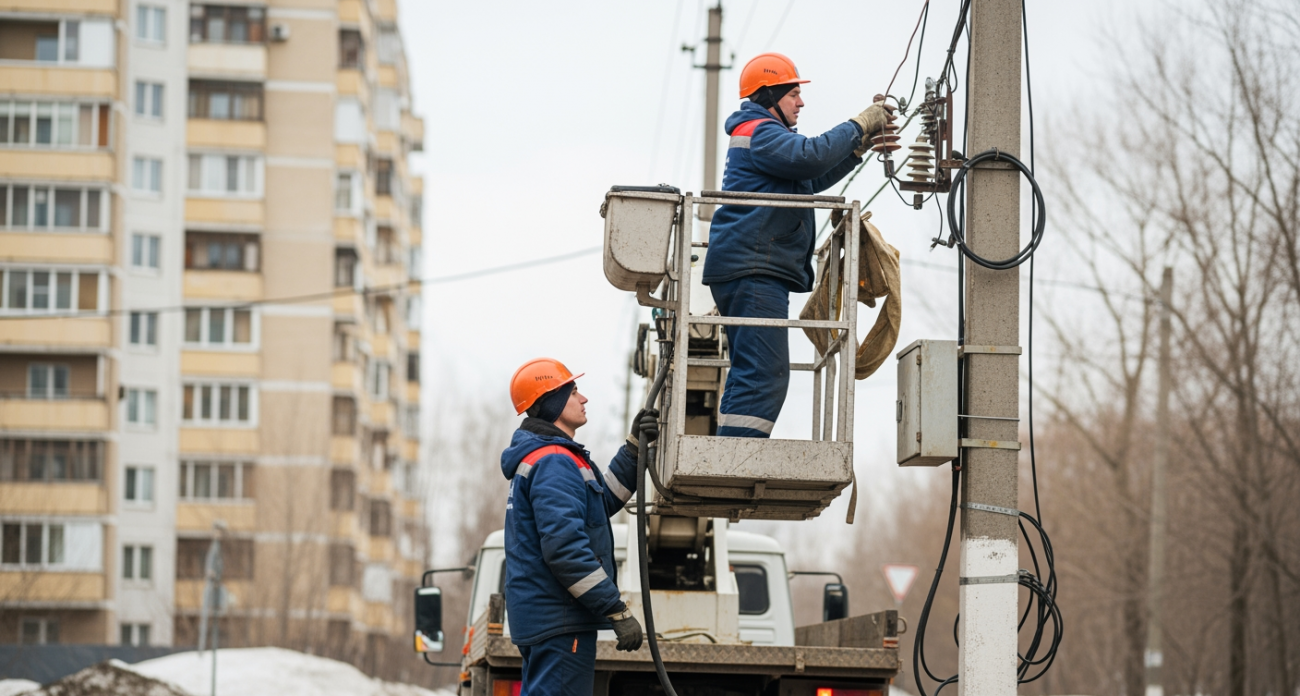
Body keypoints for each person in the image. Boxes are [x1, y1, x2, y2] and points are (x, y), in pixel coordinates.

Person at [702, 52, 895, 438]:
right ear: (769, 95)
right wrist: (860, 124)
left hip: (749, 267)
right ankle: (736, 459)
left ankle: (730, 452)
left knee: (753, 372)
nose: (801, 102)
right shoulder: (759, 131)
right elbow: (810, 157)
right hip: (752, 268)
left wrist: (858, 147)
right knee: (765, 375)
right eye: (793, 94)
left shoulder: (764, 137)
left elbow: (809, 179)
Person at [500, 357, 659, 695]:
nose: (583, 398)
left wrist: (633, 451)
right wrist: (614, 609)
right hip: (559, 619)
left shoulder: (551, 457)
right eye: (573, 392)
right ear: (553, 403)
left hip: (550, 618)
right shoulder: (554, 461)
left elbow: (598, 508)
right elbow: (565, 550)